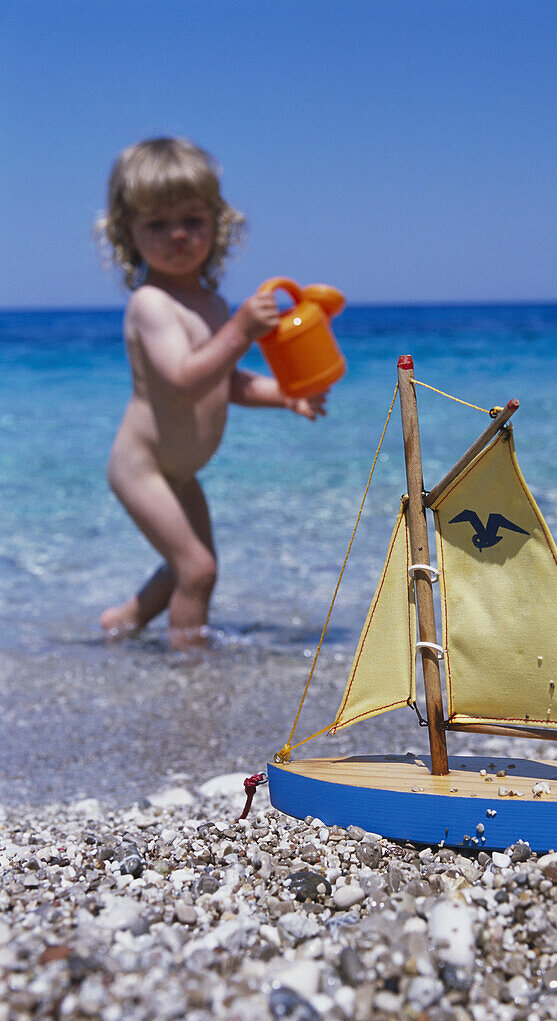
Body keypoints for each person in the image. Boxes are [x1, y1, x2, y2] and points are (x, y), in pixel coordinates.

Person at [96, 137, 326, 647]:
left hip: (179, 471)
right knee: (195, 569)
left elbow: (227, 380)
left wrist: (287, 393)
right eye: (157, 224)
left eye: (192, 220)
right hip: (143, 468)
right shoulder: (152, 304)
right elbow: (182, 379)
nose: (177, 234)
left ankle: (123, 623)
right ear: (127, 233)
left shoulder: (213, 305)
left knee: (198, 568)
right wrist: (242, 330)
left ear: (217, 224)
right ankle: (190, 676)